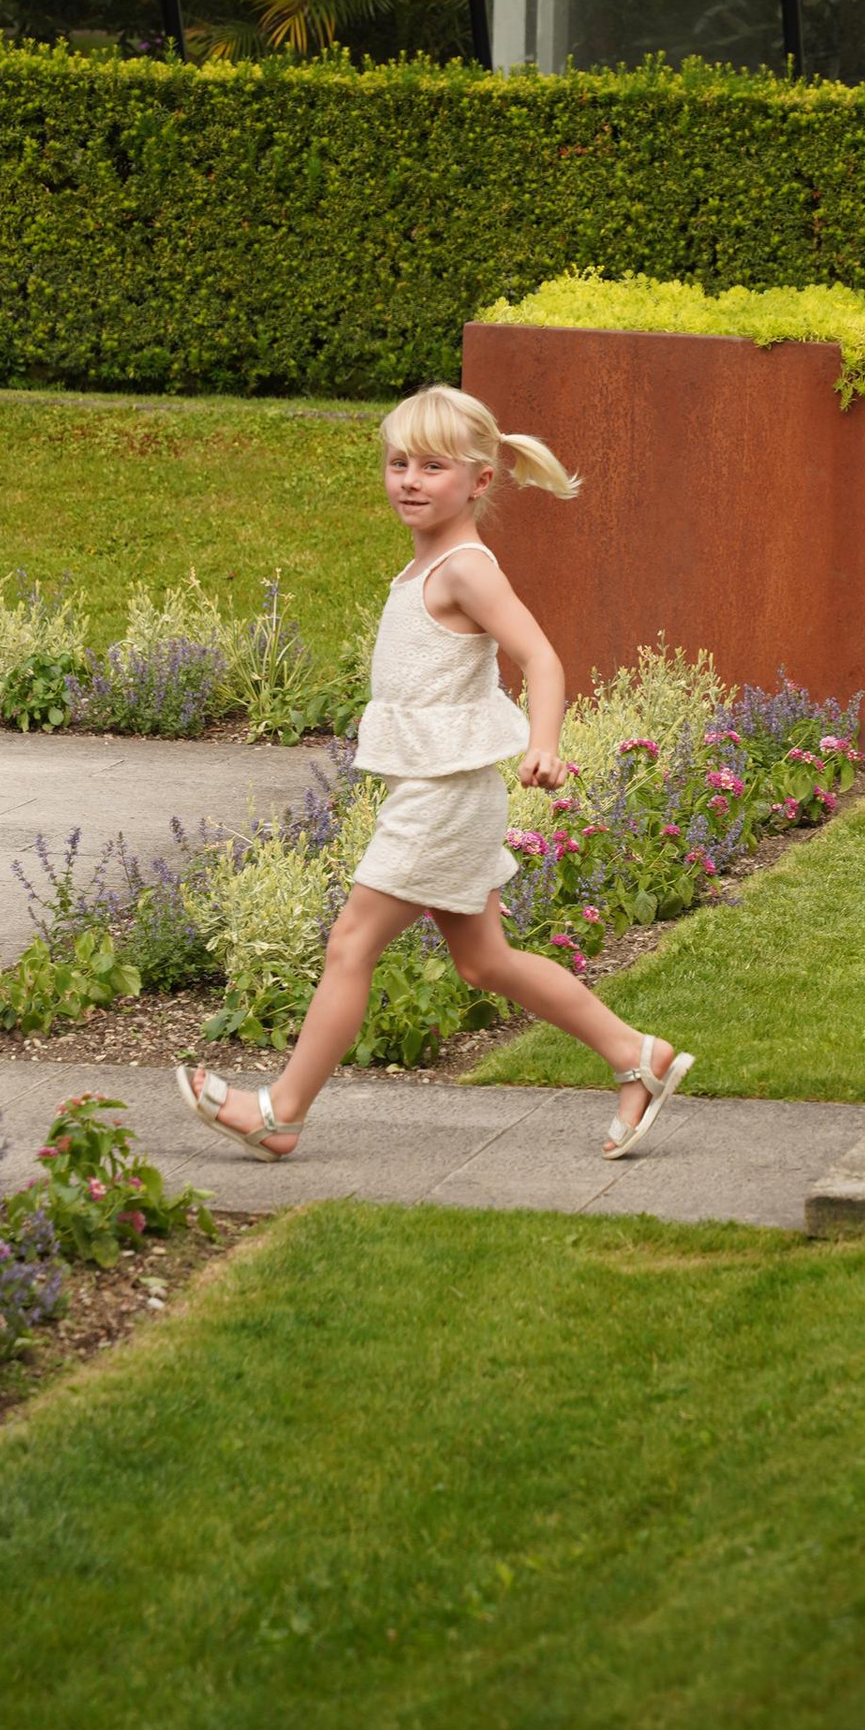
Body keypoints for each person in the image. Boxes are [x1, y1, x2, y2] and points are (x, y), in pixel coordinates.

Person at [177, 384, 692, 1167]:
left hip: (445, 797)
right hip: (437, 790)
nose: (409, 480)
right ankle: (637, 1054)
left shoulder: (465, 569)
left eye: (432, 466)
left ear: (480, 481)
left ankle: (279, 1112)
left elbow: (542, 659)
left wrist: (545, 742)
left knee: (351, 940)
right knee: (484, 960)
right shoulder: (426, 564)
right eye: (397, 463)